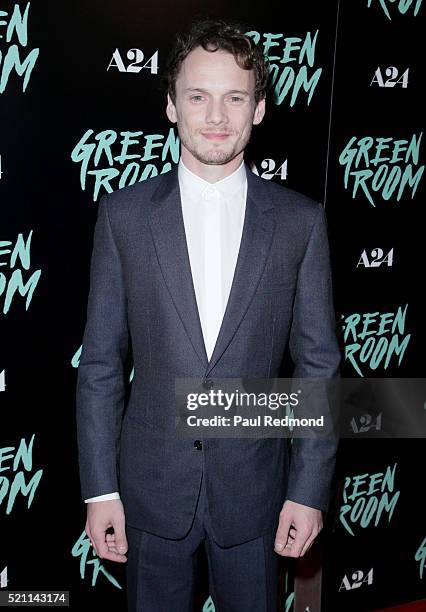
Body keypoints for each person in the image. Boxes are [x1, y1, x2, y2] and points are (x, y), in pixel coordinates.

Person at [76, 18, 341, 611]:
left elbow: (319, 365)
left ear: (260, 110)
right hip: (149, 491)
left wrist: (308, 490)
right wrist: (100, 491)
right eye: (198, 96)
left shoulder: (301, 222)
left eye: (235, 97)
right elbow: (99, 365)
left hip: (257, 496)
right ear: (171, 106)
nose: (216, 116)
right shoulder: (124, 217)